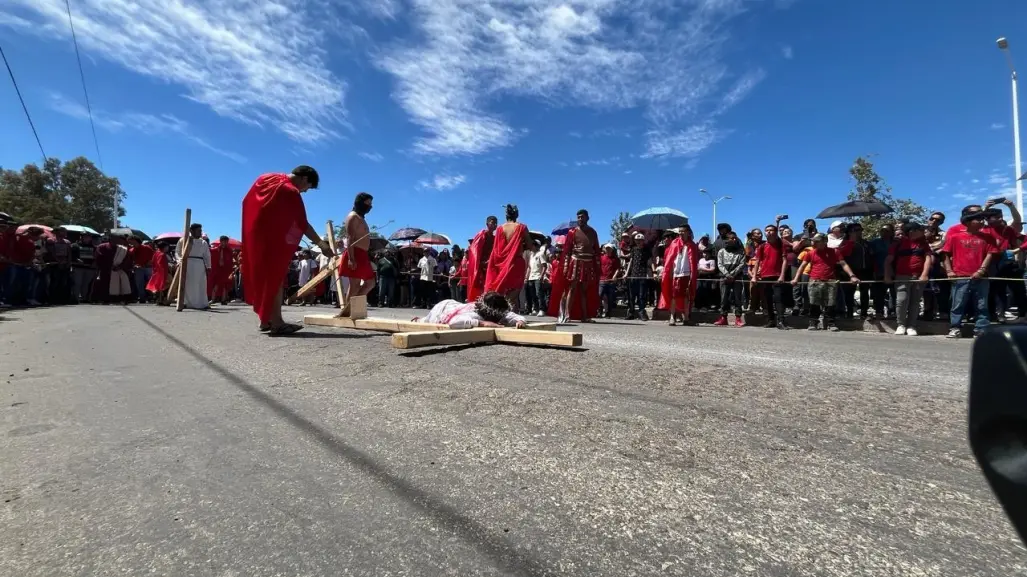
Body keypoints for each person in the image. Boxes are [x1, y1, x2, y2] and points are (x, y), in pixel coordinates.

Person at [241, 166, 334, 335]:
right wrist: (321, 243)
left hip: (255, 235)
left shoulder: (266, 177)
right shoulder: (290, 191)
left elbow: (247, 201)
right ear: (304, 179)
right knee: (275, 279)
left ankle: (266, 320)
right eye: (308, 188)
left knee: (265, 278)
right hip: (272, 239)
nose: (305, 191)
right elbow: (302, 223)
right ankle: (277, 323)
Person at [792, 233, 859, 331]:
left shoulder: (835, 252)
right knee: (814, 303)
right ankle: (813, 322)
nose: (814, 242)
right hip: (815, 280)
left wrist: (852, 276)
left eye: (817, 241)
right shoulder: (810, 253)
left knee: (831, 303)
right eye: (814, 241)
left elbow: (844, 264)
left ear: (824, 241)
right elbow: (802, 266)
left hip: (830, 281)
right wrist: (796, 279)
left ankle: (831, 323)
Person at [548, 209, 601, 323]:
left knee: (584, 290)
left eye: (582, 217)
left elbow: (596, 250)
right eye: (578, 217)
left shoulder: (593, 232)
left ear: (587, 218)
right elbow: (567, 251)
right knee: (572, 288)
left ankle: (585, 316)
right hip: (575, 261)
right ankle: (567, 315)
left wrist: (597, 265)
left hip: (588, 262)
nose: (580, 219)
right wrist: (566, 266)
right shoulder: (572, 232)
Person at [884, 222, 933, 336]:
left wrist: (924, 274)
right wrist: (887, 275)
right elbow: (888, 260)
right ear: (911, 231)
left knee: (915, 302)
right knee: (901, 301)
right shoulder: (898, 244)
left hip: (918, 276)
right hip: (902, 275)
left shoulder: (923, 244)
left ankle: (911, 325)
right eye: (919, 230)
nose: (922, 232)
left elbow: (927, 258)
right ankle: (900, 324)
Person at [338, 192, 377, 317]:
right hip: (355, 253)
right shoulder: (352, 216)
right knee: (355, 285)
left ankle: (349, 308)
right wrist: (351, 258)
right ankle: (347, 311)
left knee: (369, 283)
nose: (370, 206)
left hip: (363, 254)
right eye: (368, 203)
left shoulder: (360, 218)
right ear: (360, 203)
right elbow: (350, 237)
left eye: (371, 204)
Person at [485, 204, 531, 308]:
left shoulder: (500, 228)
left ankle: (506, 311)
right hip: (516, 262)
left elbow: (496, 249)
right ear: (517, 215)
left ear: (506, 215)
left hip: (502, 263)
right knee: (516, 289)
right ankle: (504, 308)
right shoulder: (522, 227)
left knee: (504, 288)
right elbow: (529, 245)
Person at [413, 291, 527, 329]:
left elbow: (511, 315)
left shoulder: (496, 311)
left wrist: (520, 321)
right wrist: (483, 323)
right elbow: (453, 322)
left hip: (452, 305)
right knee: (426, 321)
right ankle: (419, 320)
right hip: (441, 309)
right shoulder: (476, 316)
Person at [658, 225, 699, 326]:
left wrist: (692, 275)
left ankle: (686, 317)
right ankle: (672, 317)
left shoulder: (692, 245)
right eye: (679, 231)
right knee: (673, 296)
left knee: (686, 296)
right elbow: (669, 259)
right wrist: (669, 273)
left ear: (688, 232)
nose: (681, 233)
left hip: (687, 273)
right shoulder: (675, 243)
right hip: (676, 273)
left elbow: (694, 261)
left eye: (683, 231)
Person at [175, 223, 212, 310]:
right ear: (191, 231)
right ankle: (186, 302)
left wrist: (208, 266)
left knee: (201, 284)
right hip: (187, 264)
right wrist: (180, 260)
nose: (200, 232)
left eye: (201, 231)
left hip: (200, 265)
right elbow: (178, 252)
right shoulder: (183, 240)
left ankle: (202, 303)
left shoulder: (203, 242)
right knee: (188, 283)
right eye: (198, 230)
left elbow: (207, 255)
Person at [91, 232, 134, 304]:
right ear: (111, 239)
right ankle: (104, 299)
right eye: (116, 238)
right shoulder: (102, 247)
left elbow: (127, 259)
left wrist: (120, 266)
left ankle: (118, 299)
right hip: (105, 270)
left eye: (119, 239)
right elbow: (98, 258)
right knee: (104, 284)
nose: (118, 240)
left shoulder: (122, 249)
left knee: (120, 284)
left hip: (119, 270)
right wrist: (107, 266)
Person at [465, 216, 498, 303]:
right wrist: (480, 262)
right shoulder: (482, 234)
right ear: (487, 224)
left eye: (496, 223)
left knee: (489, 286)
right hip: (480, 265)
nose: (494, 224)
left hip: (490, 265)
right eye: (492, 222)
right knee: (479, 287)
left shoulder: (495, 238)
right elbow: (474, 250)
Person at [209, 236, 235, 305]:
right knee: (216, 285)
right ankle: (213, 299)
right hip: (218, 270)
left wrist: (231, 271)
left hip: (226, 270)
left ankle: (223, 300)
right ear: (220, 241)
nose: (225, 243)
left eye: (226, 242)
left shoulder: (229, 250)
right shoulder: (216, 249)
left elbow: (230, 261)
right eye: (223, 241)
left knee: (225, 285)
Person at [146, 241, 171, 305]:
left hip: (156, 273)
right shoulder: (162, 254)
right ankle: (163, 300)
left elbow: (153, 263)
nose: (168, 248)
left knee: (158, 287)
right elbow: (162, 265)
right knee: (167, 285)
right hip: (162, 273)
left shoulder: (156, 253)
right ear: (164, 247)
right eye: (167, 247)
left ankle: (159, 300)